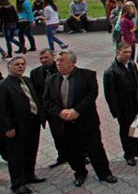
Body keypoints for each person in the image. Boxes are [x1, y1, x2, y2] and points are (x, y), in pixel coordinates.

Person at [42, 51, 117, 186]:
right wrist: (60, 112)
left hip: (86, 121)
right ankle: (80, 172)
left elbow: (91, 95)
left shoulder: (87, 75)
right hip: (65, 123)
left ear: (72, 62)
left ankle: (104, 173)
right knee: (72, 150)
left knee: (95, 148)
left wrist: (77, 111)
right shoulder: (51, 80)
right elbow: (46, 101)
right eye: (57, 60)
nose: (58, 63)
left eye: (61, 60)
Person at [0, 55, 46, 194]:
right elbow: (1, 110)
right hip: (16, 127)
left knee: (31, 151)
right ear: (9, 67)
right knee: (16, 156)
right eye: (17, 64)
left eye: (22, 64)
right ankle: (18, 184)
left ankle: (29, 175)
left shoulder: (27, 80)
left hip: (32, 123)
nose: (20, 66)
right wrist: (7, 128)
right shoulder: (3, 85)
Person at [102, 42, 138, 165]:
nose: (128, 54)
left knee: (136, 126)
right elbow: (110, 94)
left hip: (135, 103)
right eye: (125, 52)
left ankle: (136, 149)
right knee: (125, 130)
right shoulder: (111, 71)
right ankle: (128, 153)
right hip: (123, 107)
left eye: (129, 52)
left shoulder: (131, 64)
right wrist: (116, 112)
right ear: (117, 52)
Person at [30, 48, 66, 167]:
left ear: (53, 56)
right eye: (41, 58)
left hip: (64, 107)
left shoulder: (61, 68)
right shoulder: (35, 73)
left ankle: (82, 154)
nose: (43, 60)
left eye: (46, 57)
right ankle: (62, 156)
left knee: (71, 133)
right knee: (56, 134)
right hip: (49, 110)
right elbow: (36, 93)